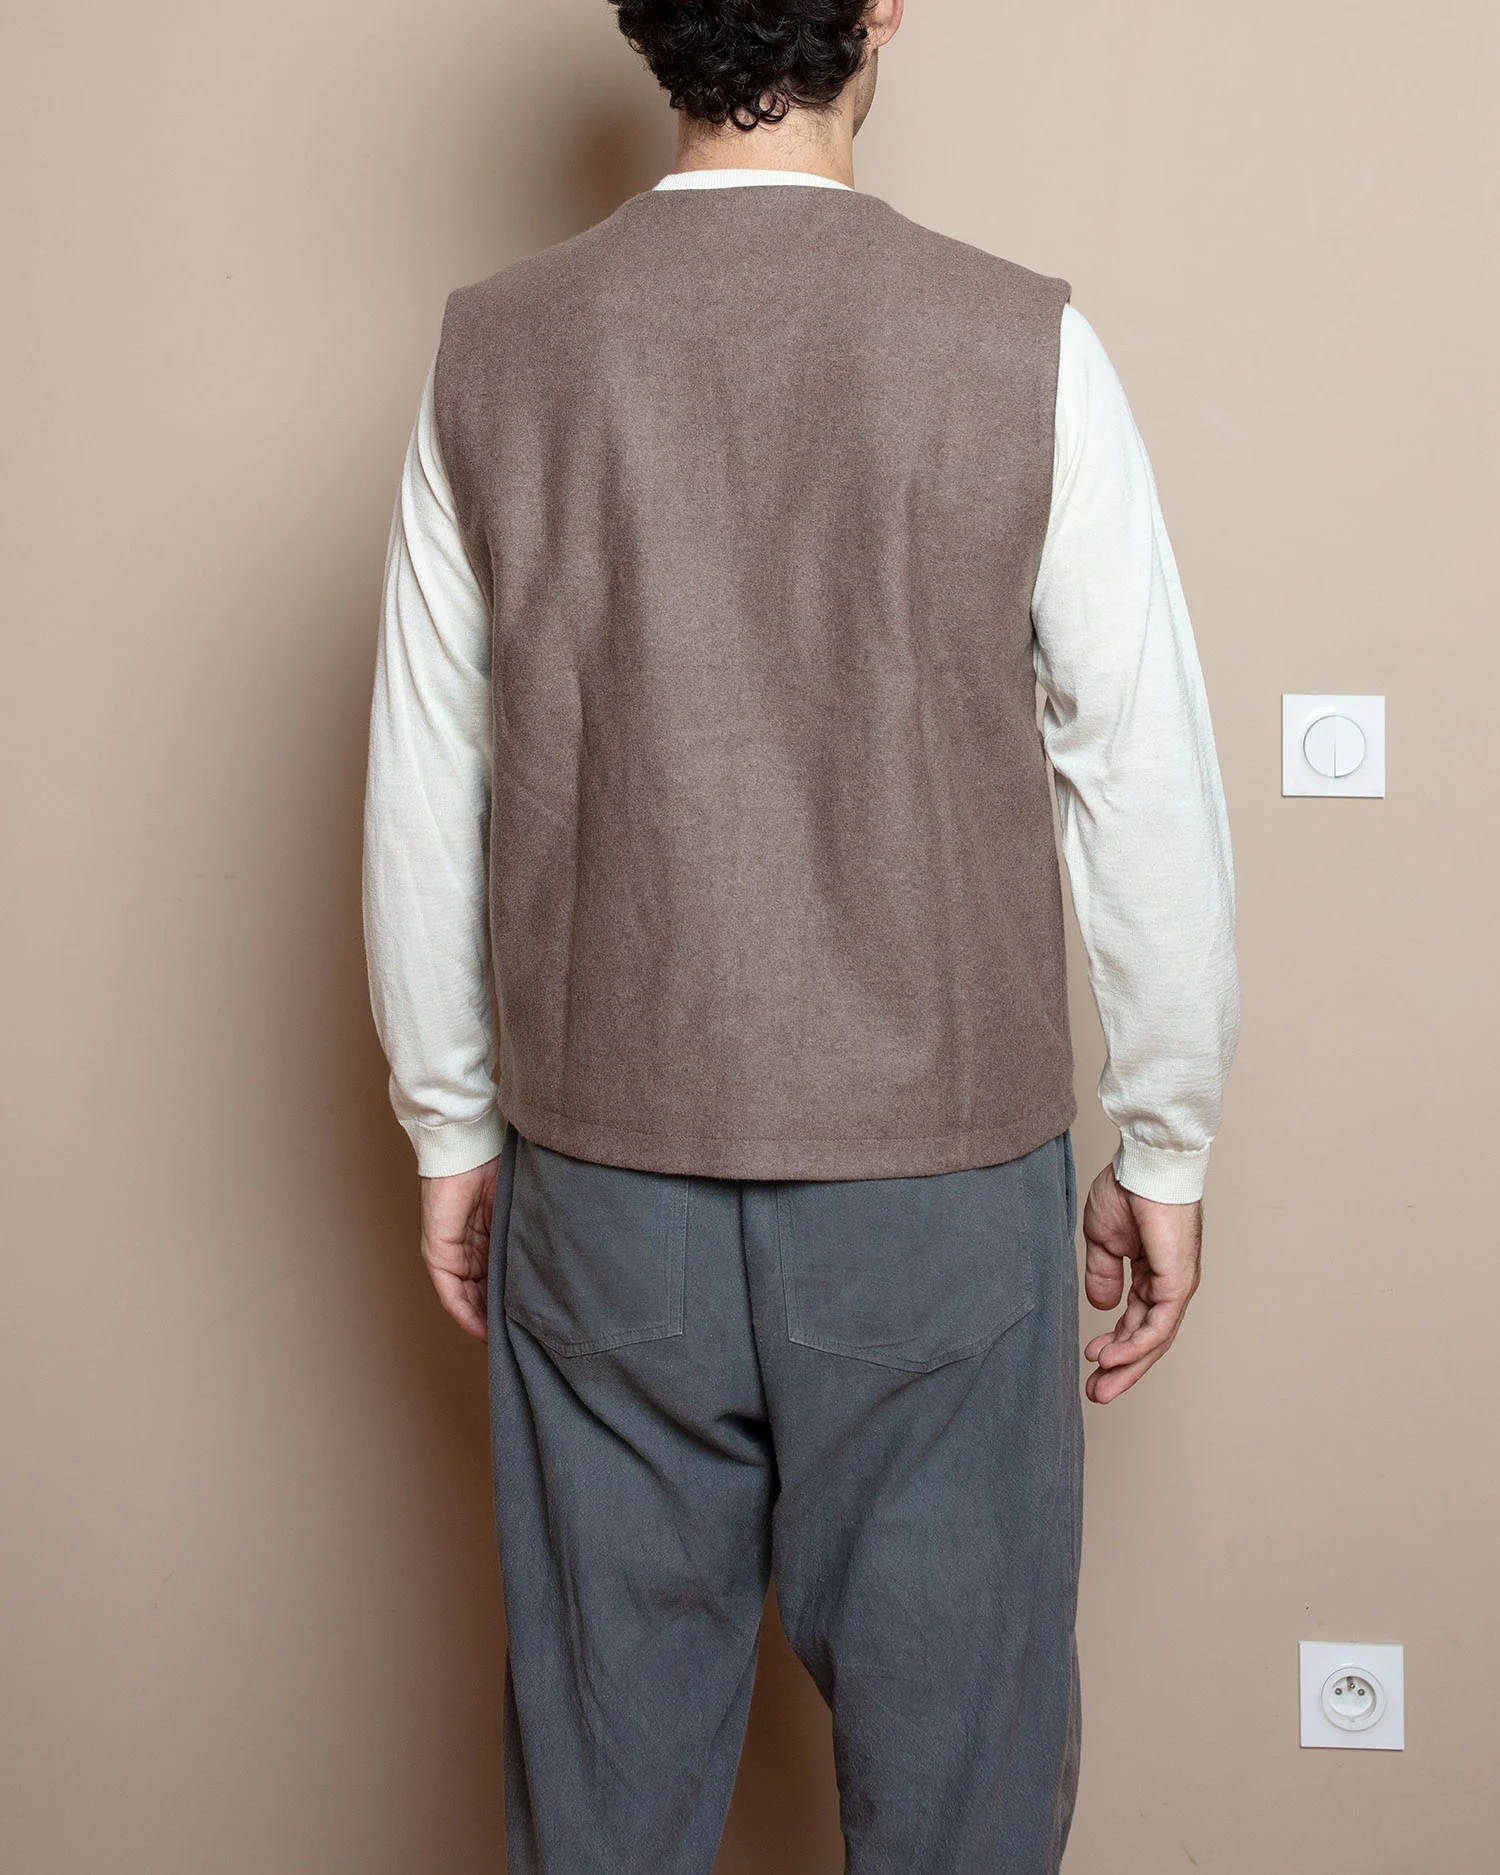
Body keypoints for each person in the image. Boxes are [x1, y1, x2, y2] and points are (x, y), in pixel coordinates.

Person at [361, 1, 1240, 1868]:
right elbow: (1140, 771)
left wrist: (449, 1119)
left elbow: (431, 781)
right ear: (881, 6)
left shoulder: (498, 350)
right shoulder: (1022, 342)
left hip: (605, 1188)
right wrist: (1165, 1137)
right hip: (939, 1193)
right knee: (962, 1805)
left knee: (602, 1809)